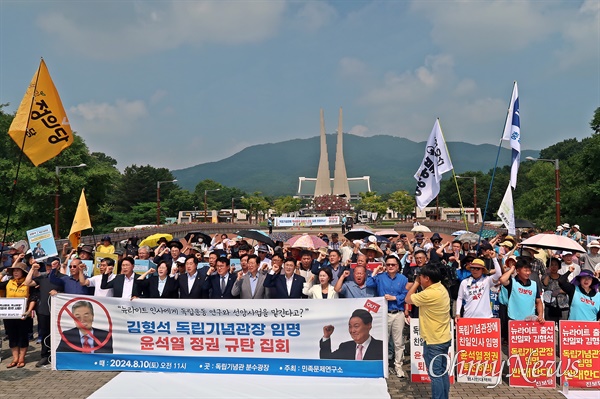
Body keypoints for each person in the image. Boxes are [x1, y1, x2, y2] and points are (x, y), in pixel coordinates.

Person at [405, 264, 452, 399]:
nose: (419, 278)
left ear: (427, 278)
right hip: (443, 338)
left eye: (421, 276)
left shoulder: (429, 293)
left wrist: (415, 283)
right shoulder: (441, 287)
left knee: (435, 374)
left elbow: (408, 299)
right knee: (442, 372)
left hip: (433, 341)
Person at [366, 255, 409, 378]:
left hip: (398, 313)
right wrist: (375, 271)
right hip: (383, 314)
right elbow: (369, 283)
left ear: (397, 266)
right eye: (388, 264)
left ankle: (398, 366)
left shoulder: (403, 279)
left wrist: (395, 298)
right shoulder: (380, 277)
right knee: (383, 341)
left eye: (393, 265)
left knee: (398, 342)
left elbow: (406, 295)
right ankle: (384, 365)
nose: (390, 267)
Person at [24, 257, 62, 367]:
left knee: (58, 333)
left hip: (58, 311)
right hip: (43, 311)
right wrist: (32, 269)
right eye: (48, 266)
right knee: (44, 333)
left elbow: (68, 292)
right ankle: (45, 356)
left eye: (52, 265)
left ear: (58, 265)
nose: (49, 268)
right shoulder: (42, 277)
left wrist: (58, 292)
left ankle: (57, 354)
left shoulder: (63, 278)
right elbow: (27, 282)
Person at [0, 262, 35, 368]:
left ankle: (21, 358)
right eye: (14, 271)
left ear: (23, 272)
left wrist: (29, 310)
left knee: (23, 336)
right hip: (10, 315)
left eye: (18, 270)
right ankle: (15, 358)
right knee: (12, 336)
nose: (15, 273)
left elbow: (33, 298)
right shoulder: (8, 282)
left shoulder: (29, 283)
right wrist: (3, 272)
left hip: (24, 315)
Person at [499, 257, 544, 323]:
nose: (528, 273)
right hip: (513, 319)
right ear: (518, 271)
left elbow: (539, 301)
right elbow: (502, 280)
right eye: (525, 270)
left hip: (529, 320)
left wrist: (540, 315)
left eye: (529, 270)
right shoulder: (512, 282)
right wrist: (512, 269)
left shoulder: (534, 284)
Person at [542, 257, 569, 322]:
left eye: (555, 265)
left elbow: (568, 289)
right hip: (550, 305)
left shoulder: (563, 278)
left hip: (563, 305)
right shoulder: (545, 277)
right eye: (551, 265)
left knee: (563, 326)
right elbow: (545, 285)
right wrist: (548, 274)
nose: (553, 267)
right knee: (550, 325)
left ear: (559, 266)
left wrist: (559, 291)